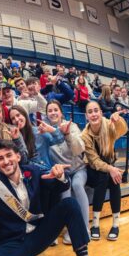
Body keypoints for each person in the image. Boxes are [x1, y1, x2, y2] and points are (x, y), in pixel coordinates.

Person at [82, 102, 127, 241]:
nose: (94, 114)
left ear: (101, 112)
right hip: (92, 169)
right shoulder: (85, 135)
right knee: (105, 174)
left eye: (96, 110)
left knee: (114, 179)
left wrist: (118, 121)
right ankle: (95, 223)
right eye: (90, 112)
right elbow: (94, 161)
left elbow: (122, 131)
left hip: (108, 166)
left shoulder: (108, 124)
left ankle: (115, 224)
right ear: (86, 116)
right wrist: (111, 169)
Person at [45, 100, 89, 245]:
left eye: (55, 110)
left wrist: (68, 134)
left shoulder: (72, 126)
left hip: (78, 169)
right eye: (49, 110)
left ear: (61, 112)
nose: (53, 113)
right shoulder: (45, 130)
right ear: (46, 114)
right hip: (62, 173)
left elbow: (79, 150)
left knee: (77, 185)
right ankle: (70, 228)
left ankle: (84, 228)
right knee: (65, 190)